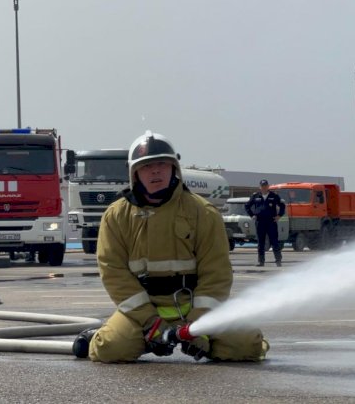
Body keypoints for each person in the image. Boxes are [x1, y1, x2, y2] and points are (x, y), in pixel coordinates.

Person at [72, 131, 267, 363]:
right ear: (135, 173)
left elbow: (217, 274)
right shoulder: (116, 216)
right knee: (111, 349)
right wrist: (151, 324)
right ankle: (99, 336)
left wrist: (199, 327)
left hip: (196, 308)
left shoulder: (203, 213)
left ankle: (199, 343)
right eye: (147, 166)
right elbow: (114, 274)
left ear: (174, 168)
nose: (155, 171)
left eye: (162, 164)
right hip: (145, 311)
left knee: (247, 345)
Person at [245, 179, 285, 267]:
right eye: (262, 186)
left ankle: (278, 261)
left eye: (265, 186)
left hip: (271, 222)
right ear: (260, 187)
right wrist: (252, 215)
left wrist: (279, 215)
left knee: (274, 241)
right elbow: (247, 206)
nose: (264, 187)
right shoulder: (255, 196)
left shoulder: (274, 196)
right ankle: (261, 261)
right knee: (261, 242)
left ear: (268, 186)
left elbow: (282, 206)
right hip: (260, 222)